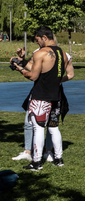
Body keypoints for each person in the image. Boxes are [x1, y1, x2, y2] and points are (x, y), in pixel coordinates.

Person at [11, 27, 74, 170]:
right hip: (56, 96)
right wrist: (22, 61)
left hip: (40, 97)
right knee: (54, 128)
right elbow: (56, 72)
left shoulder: (41, 53)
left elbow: (33, 75)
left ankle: (37, 162)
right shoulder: (63, 54)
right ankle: (58, 159)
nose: (37, 42)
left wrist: (20, 69)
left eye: (37, 39)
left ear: (44, 37)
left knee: (38, 128)